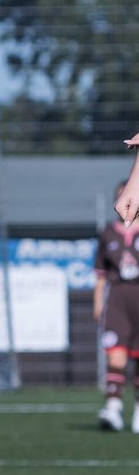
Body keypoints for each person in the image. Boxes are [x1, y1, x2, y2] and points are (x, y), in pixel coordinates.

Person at [95, 179, 139, 431]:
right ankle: (113, 408)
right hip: (118, 297)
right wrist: (98, 304)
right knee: (116, 353)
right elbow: (100, 275)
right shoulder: (108, 234)